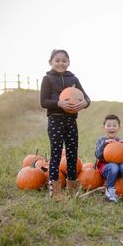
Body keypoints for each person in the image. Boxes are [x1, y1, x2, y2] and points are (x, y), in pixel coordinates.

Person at [40, 49, 90, 201]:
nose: (61, 63)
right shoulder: (47, 79)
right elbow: (43, 102)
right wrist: (58, 103)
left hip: (70, 121)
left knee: (72, 154)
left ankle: (72, 189)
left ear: (68, 62)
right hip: (55, 120)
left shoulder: (73, 78)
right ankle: (55, 191)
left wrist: (84, 103)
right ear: (51, 62)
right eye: (57, 60)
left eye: (64, 60)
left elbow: (87, 98)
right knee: (56, 154)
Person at [95, 114, 123, 204]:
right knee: (113, 166)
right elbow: (97, 155)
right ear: (104, 127)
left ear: (119, 128)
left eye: (114, 125)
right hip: (106, 169)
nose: (111, 128)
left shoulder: (119, 141)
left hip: (120, 168)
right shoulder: (101, 140)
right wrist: (104, 144)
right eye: (108, 125)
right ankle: (110, 191)